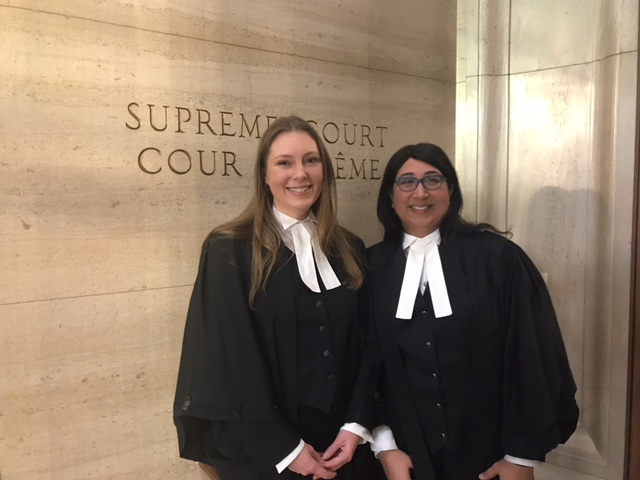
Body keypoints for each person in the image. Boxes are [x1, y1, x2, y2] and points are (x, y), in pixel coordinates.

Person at [322, 143, 579, 480]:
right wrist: (385, 446)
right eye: (407, 182)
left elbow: (531, 357)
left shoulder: (498, 260)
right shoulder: (373, 267)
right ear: (390, 195)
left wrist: (521, 457)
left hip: (492, 458)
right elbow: (367, 365)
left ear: (451, 190)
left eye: (433, 180)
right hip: (408, 459)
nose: (420, 192)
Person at [173, 116, 378, 479]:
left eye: (311, 160)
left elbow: (368, 345)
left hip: (343, 449)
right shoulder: (229, 250)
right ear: (265, 176)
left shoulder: (350, 250)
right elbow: (228, 361)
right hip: (267, 453)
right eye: (285, 162)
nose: (300, 173)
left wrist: (356, 425)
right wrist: (286, 449)